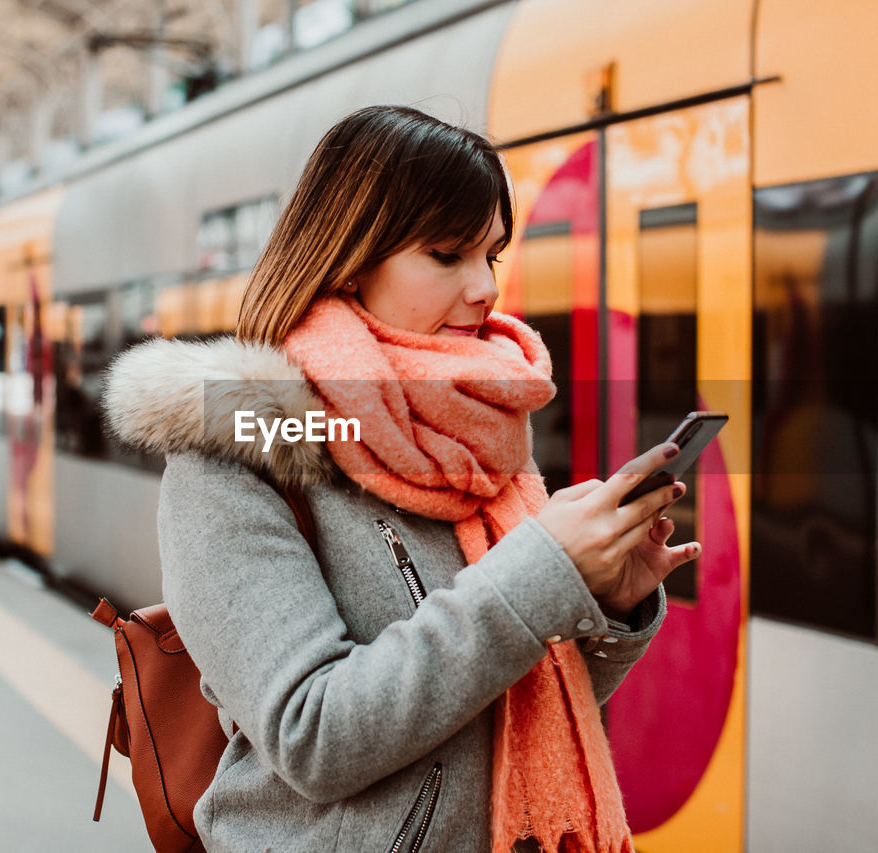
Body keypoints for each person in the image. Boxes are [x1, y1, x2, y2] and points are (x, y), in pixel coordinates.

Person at [104, 105, 700, 853]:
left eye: (492, 254)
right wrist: (536, 574)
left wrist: (604, 603)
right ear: (351, 256)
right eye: (448, 254)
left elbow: (505, 709)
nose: (485, 287)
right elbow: (310, 733)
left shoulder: (471, 430)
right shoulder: (242, 444)